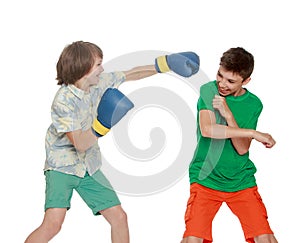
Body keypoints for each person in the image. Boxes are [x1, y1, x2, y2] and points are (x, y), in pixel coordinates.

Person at [24, 41, 199, 243]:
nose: (102, 68)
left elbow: (131, 73)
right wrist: (103, 124)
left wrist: (165, 65)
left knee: (119, 217)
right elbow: (80, 143)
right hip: (61, 168)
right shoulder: (64, 100)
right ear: (83, 68)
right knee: (53, 225)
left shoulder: (98, 83)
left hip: (89, 166)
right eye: (98, 64)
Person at [181, 47, 278, 243]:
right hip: (206, 177)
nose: (222, 84)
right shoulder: (209, 90)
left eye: (231, 81)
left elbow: (242, 148)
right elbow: (208, 130)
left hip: (240, 180)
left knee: (265, 238)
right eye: (220, 75)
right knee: (193, 239)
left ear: (246, 81)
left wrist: (228, 114)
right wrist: (252, 133)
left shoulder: (253, 104)